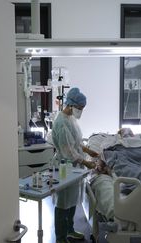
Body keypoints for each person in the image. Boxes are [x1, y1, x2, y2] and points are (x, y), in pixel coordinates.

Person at [51, 87, 99, 243]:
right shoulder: (61, 123)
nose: (81, 111)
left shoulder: (71, 119)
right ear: (71, 104)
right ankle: (60, 237)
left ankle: (70, 230)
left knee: (72, 200)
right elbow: (68, 151)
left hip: (75, 166)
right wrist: (87, 163)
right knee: (63, 202)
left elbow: (77, 142)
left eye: (82, 109)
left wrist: (89, 151)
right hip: (66, 166)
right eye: (79, 108)